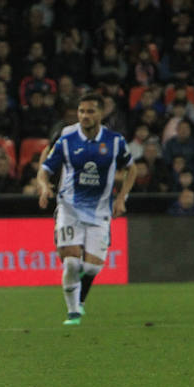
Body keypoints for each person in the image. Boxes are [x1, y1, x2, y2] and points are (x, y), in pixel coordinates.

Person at [37, 93, 136, 326]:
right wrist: (43, 187)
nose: (85, 116)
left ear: (101, 114)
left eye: (90, 111)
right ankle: (73, 313)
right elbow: (45, 168)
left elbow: (132, 169)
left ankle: (79, 299)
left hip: (100, 211)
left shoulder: (114, 141)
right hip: (69, 208)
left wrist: (122, 197)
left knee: (91, 267)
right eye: (81, 111)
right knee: (71, 263)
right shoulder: (67, 139)